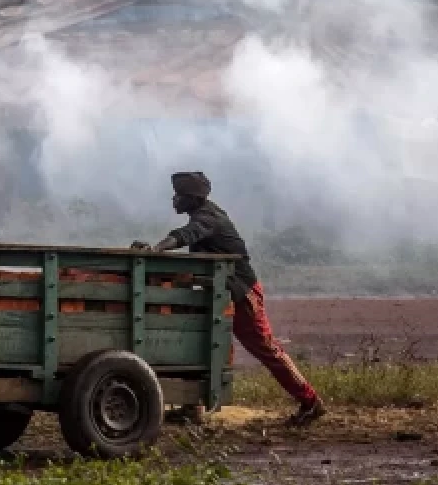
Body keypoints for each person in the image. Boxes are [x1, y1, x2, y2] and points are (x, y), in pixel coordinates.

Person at [131, 171, 325, 428]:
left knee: (266, 349)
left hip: (242, 294)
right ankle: (193, 408)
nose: (174, 200)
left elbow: (186, 234)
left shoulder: (209, 218)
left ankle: (311, 402)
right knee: (201, 343)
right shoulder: (204, 214)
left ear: (192, 198)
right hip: (219, 295)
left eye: (179, 195)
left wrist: (156, 249)